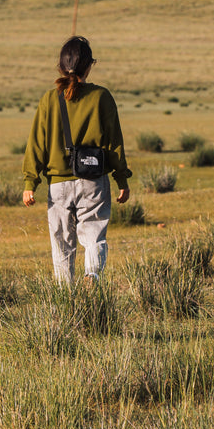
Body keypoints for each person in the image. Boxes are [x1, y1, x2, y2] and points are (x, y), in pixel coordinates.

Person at [21, 35, 131, 283]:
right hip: (93, 180)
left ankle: (65, 296)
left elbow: (36, 142)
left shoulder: (49, 99)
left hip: (58, 184)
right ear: (89, 66)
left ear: (60, 66)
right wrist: (122, 179)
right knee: (94, 236)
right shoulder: (102, 96)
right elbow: (114, 143)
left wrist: (30, 182)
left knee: (61, 244)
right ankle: (92, 275)